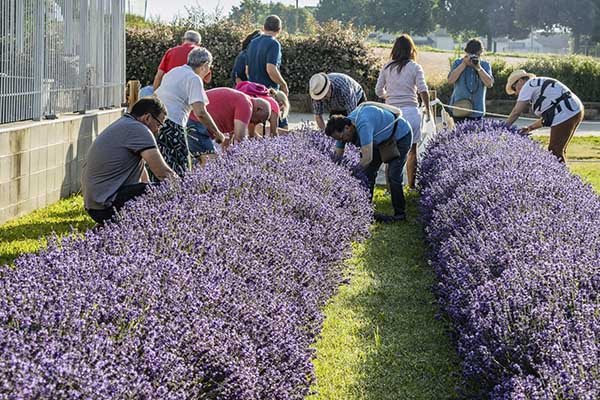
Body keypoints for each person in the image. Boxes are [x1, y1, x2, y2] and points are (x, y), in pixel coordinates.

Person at [81, 97, 176, 225]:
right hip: (107, 205)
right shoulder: (139, 130)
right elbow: (162, 172)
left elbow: (143, 175)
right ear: (147, 118)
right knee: (165, 190)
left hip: (96, 204)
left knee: (152, 190)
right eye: (159, 124)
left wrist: (148, 187)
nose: (158, 130)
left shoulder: (124, 124)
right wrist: (184, 188)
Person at [324, 104, 412, 222]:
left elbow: (367, 158)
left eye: (341, 138)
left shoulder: (363, 124)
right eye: (338, 139)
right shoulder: (342, 129)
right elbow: (337, 157)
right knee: (368, 174)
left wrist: (352, 174)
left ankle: (400, 214)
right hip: (380, 140)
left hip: (400, 135)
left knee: (393, 175)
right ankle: (364, 210)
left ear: (347, 128)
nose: (342, 141)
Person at [154, 47, 227, 177]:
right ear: (204, 65)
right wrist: (217, 133)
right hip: (173, 124)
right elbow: (200, 112)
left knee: (161, 165)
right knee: (180, 168)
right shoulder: (194, 79)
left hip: (156, 121)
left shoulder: (174, 71)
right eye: (209, 66)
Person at [375, 34, 430, 190]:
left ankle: (389, 188)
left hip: (392, 114)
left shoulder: (387, 67)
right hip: (411, 112)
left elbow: (378, 90)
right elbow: (423, 90)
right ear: (411, 50)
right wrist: (428, 109)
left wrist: (388, 95)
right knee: (412, 151)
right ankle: (411, 186)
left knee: (390, 151)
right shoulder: (415, 67)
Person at [505, 70, 584, 163]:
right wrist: (530, 128)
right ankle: (563, 175)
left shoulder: (527, 86)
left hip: (565, 112)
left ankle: (563, 176)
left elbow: (516, 112)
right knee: (558, 150)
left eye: (514, 88)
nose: (516, 93)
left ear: (520, 81)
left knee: (554, 150)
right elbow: (548, 116)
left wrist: (503, 127)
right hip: (574, 108)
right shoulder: (537, 84)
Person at [187, 88, 271, 165]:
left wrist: (227, 156)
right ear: (259, 109)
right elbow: (239, 138)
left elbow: (229, 140)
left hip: (191, 121)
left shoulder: (241, 100)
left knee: (196, 164)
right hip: (196, 123)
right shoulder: (246, 105)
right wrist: (245, 160)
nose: (255, 123)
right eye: (259, 120)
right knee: (212, 164)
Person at [447, 38, 494, 123]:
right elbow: (450, 80)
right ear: (466, 52)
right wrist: (463, 65)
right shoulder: (458, 63)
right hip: (459, 109)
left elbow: (489, 84)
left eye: (476, 55)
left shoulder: (485, 65)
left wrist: (478, 68)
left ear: (480, 54)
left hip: (477, 110)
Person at [246, 15, 289, 97]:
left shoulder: (252, 43)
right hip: (267, 92)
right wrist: (283, 85)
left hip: (251, 92)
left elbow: (247, 71)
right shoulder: (274, 44)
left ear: (264, 27)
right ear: (279, 29)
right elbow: (270, 69)